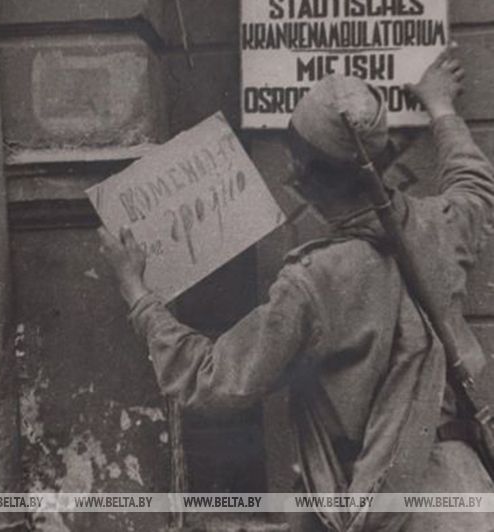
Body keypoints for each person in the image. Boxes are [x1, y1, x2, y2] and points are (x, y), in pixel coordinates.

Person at [100, 51, 494, 531]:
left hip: (387, 507)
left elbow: (213, 381)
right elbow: (474, 186)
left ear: (299, 174)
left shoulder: (311, 282)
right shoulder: (441, 227)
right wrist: (441, 109)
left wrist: (138, 295)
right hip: (467, 496)